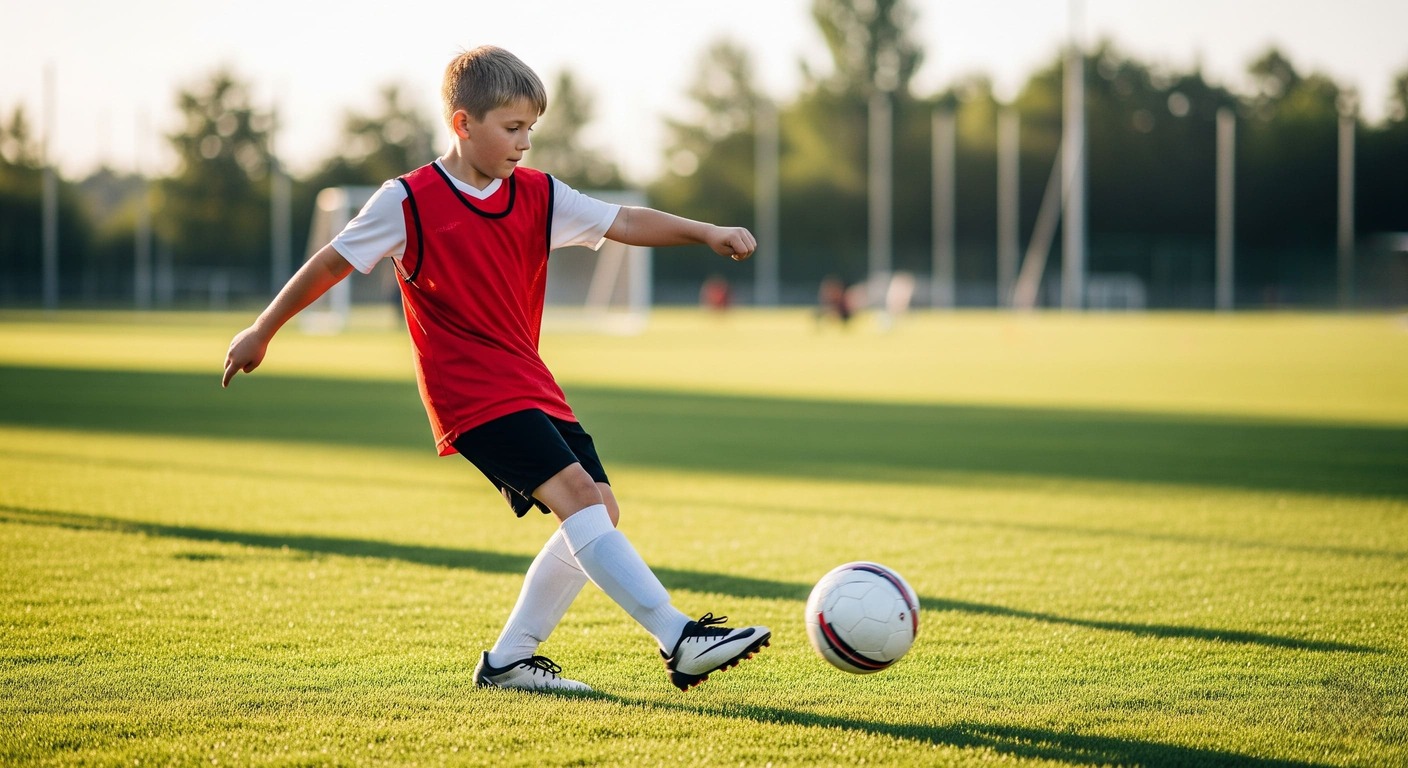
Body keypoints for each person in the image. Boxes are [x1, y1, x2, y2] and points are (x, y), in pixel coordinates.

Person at [222, 46, 769, 693]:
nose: (525, 144)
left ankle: (510, 659)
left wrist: (705, 231)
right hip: (469, 394)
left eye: (531, 130)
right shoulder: (409, 202)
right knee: (575, 497)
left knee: (601, 509)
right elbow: (331, 263)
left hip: (531, 382)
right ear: (462, 125)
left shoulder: (538, 195)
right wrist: (264, 328)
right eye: (512, 129)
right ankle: (678, 637)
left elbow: (623, 220)